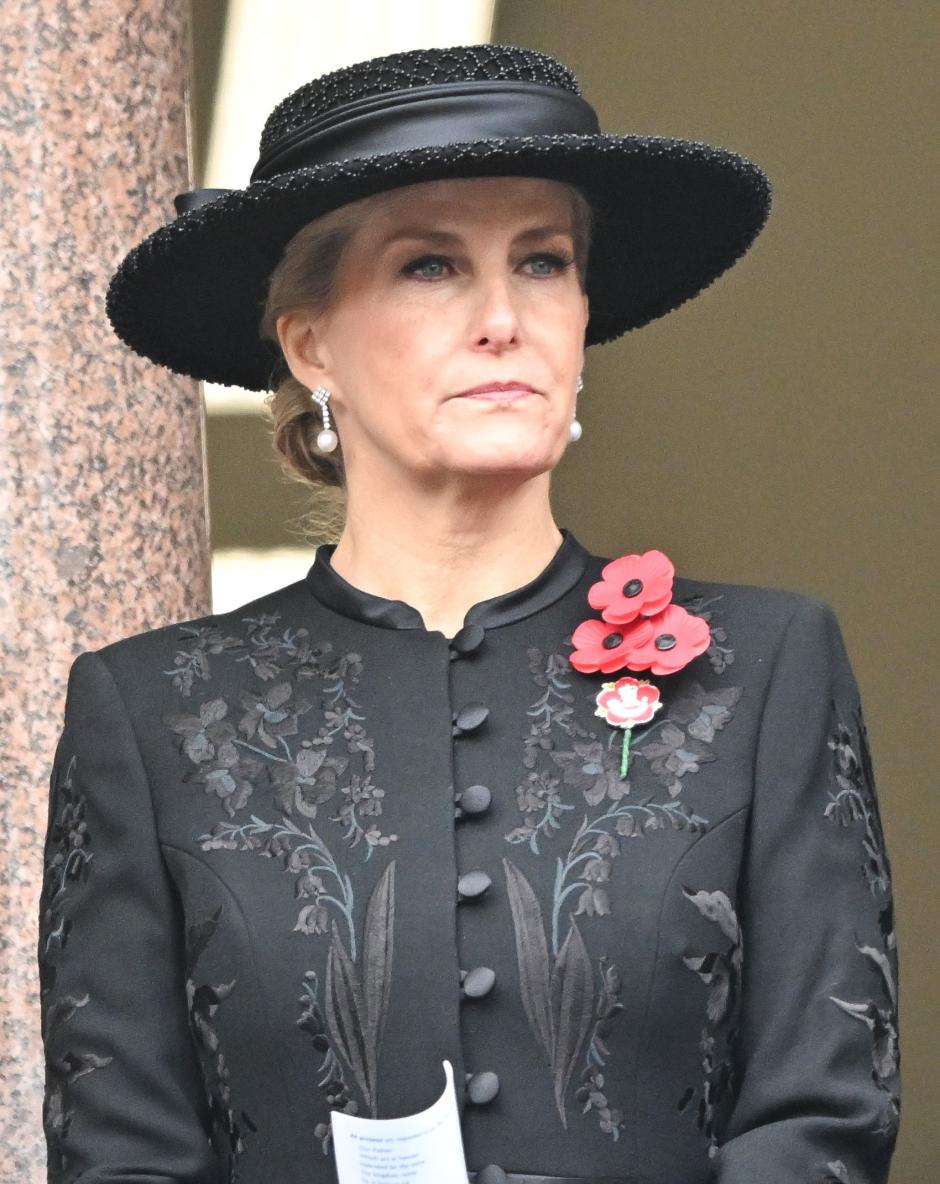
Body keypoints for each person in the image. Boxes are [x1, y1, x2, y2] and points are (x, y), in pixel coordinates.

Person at [38, 42, 900, 1184]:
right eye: (431, 266)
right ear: (309, 343)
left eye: (542, 262)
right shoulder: (145, 711)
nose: (504, 316)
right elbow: (122, 1154)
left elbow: (823, 1117)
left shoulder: (769, 666)